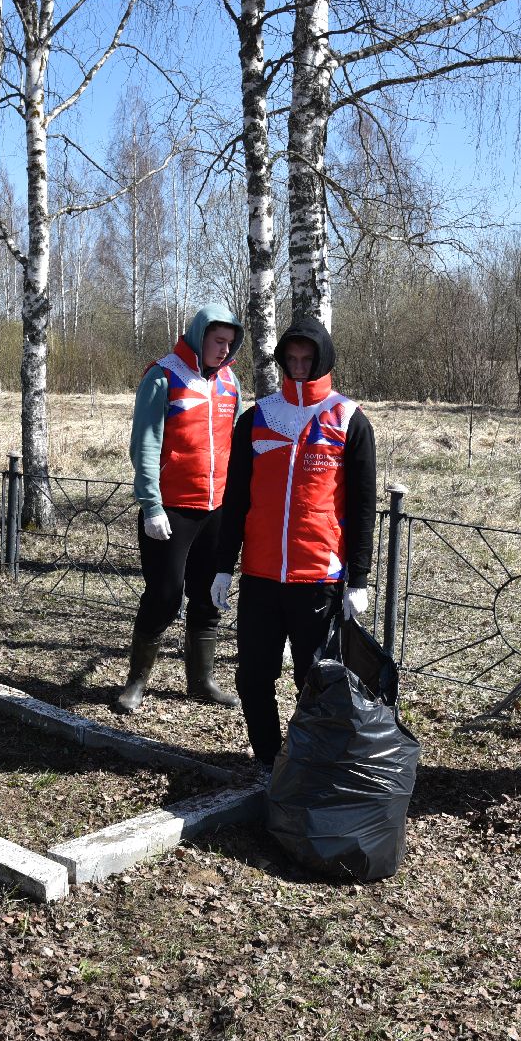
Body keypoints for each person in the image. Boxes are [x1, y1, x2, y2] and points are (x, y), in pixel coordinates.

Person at [210, 317, 377, 768]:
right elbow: (236, 496)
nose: (300, 367)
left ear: (323, 359)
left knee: (314, 680)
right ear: (282, 359)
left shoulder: (349, 419)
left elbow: (363, 506)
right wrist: (225, 565)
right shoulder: (258, 417)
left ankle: (308, 763)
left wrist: (358, 578)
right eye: (293, 359)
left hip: (318, 577)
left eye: (308, 359)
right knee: (253, 677)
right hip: (261, 575)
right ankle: (267, 758)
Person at [114, 305, 243, 714]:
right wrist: (151, 505)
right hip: (171, 509)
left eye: (230, 343)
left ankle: (202, 681)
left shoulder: (229, 383)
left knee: (208, 596)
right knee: (166, 595)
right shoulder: (163, 376)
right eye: (217, 341)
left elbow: (234, 447)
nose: (224, 350)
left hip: (217, 509)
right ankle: (136, 681)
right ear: (198, 334)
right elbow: (145, 446)